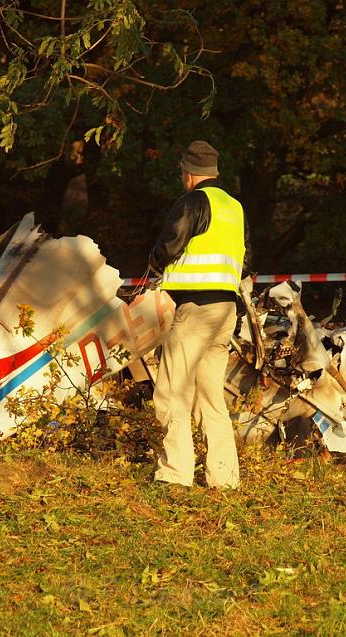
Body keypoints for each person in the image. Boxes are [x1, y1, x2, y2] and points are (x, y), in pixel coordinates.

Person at [149, 140, 247, 489]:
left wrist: (155, 260)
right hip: (225, 310)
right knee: (211, 396)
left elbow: (171, 242)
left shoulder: (193, 201)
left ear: (188, 174)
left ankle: (175, 474)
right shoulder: (234, 207)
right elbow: (245, 258)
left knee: (172, 392)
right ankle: (225, 477)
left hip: (196, 310)